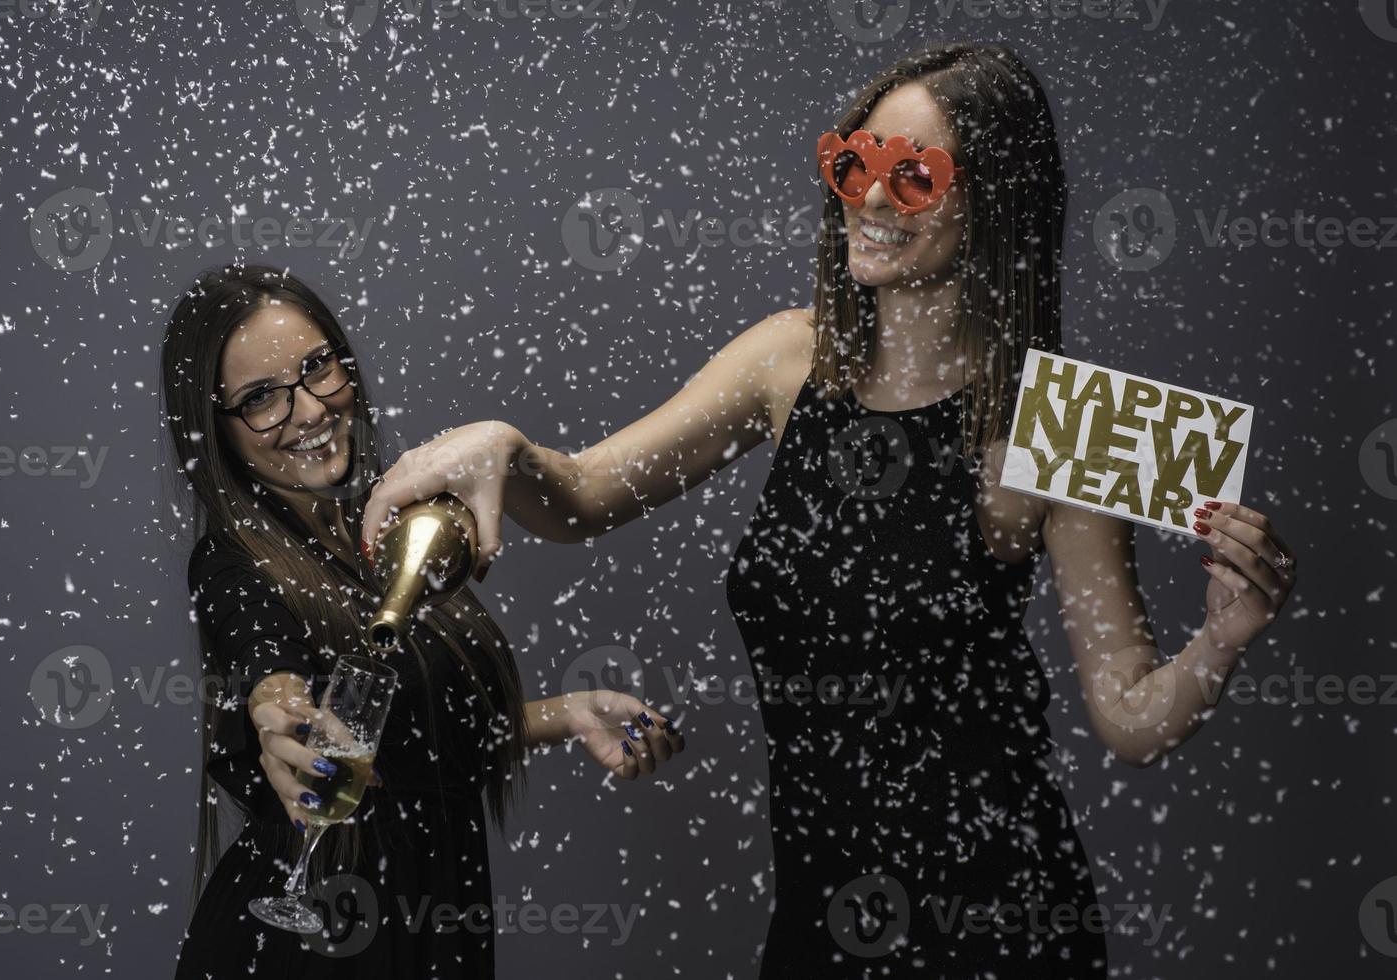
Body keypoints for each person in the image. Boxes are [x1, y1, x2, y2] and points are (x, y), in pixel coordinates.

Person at [357, 43, 1297, 977]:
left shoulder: (1061, 424)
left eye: (916, 179)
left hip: (999, 920)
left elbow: (1128, 715)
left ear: (995, 202)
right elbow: (584, 497)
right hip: (821, 912)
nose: (874, 201)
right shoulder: (785, 362)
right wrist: (505, 447)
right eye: (856, 162)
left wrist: (1221, 640)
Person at [164, 262, 685, 978]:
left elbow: (416, 746)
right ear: (215, 431)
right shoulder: (230, 563)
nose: (310, 410)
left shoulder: (388, 529)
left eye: (318, 367)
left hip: (433, 922)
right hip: (316, 944)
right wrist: (277, 713)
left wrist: (565, 714)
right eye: (261, 399)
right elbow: (266, 664)